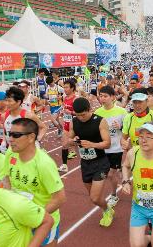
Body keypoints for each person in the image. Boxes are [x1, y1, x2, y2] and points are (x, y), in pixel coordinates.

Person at [3, 118, 66, 246]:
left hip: (43, 220)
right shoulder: (10, 154)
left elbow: (59, 198)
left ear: (31, 137)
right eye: (9, 134)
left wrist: (34, 216)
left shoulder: (44, 164)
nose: (10, 139)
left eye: (16, 135)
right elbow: (6, 178)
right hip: (20, 219)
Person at [67, 97, 115, 227]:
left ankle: (107, 211)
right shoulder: (74, 121)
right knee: (94, 198)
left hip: (100, 162)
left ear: (90, 110)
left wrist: (93, 145)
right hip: (85, 163)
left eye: (83, 114)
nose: (81, 118)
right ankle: (106, 207)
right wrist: (72, 141)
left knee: (94, 197)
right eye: (78, 115)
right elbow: (67, 141)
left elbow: (107, 144)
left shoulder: (100, 121)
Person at [95, 86, 127, 207]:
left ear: (113, 97)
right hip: (102, 148)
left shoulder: (122, 112)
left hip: (116, 149)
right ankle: (121, 170)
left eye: (105, 96)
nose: (102, 98)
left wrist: (120, 127)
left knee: (110, 174)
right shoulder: (97, 113)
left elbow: (128, 130)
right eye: (101, 96)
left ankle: (114, 195)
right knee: (104, 173)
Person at [1, 87, 47, 153]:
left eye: (9, 101)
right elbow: (5, 130)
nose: (7, 103)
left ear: (19, 102)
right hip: (13, 150)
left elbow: (43, 127)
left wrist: (37, 140)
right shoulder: (4, 116)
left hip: (29, 151)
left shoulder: (28, 116)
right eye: (6, 100)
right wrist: (4, 141)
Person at [58, 79, 78, 173]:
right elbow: (65, 109)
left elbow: (82, 113)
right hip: (66, 124)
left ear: (72, 88)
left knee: (74, 143)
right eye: (64, 87)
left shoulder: (76, 99)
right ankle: (64, 165)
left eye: (66, 87)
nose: (64, 89)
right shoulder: (65, 98)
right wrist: (63, 112)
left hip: (74, 125)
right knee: (64, 144)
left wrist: (71, 112)